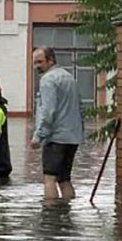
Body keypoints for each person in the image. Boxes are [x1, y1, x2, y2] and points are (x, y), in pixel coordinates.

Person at [30, 46, 84, 200]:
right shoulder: (69, 78)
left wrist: (38, 136)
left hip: (55, 138)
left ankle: (50, 217)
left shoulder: (48, 79)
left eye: (40, 62)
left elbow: (48, 111)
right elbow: (80, 108)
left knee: (49, 179)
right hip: (73, 138)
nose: (37, 66)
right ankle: (66, 214)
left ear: (51, 60)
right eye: (35, 62)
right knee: (64, 179)